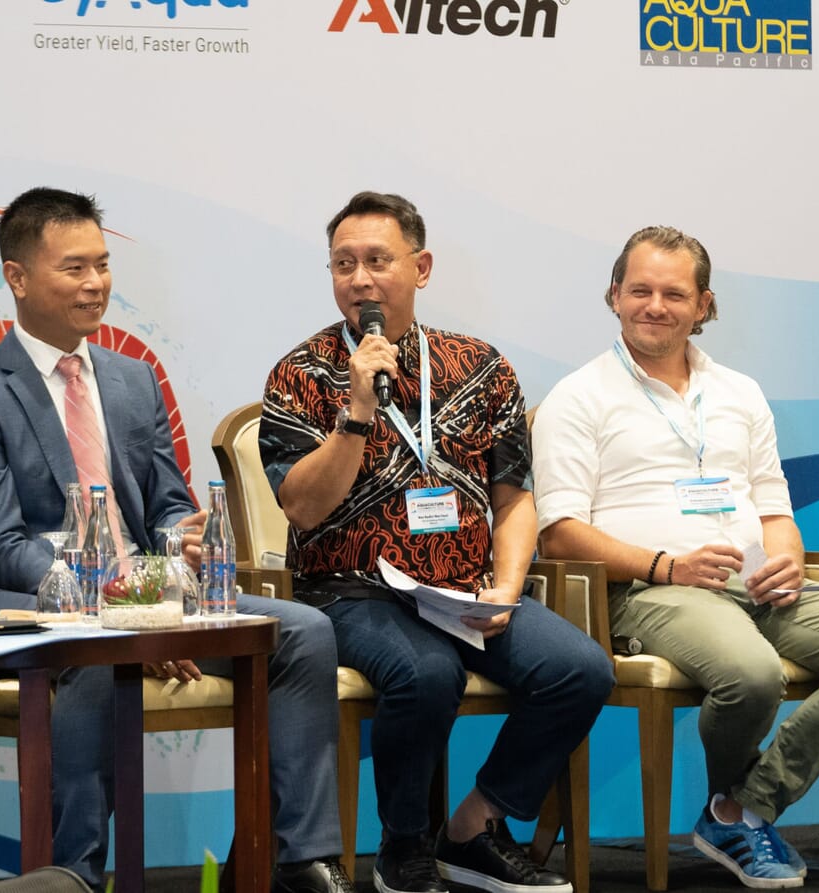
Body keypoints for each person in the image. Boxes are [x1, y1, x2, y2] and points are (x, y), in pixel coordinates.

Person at [0, 187, 353, 893]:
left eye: (101, 264)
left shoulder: (130, 378)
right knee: (100, 650)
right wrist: (121, 601)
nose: (96, 283)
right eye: (74, 268)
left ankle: (301, 858)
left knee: (303, 629)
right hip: (51, 606)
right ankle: (78, 872)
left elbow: (166, 505)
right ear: (17, 277)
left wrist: (176, 546)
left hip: (159, 600)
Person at [532, 226, 819, 889]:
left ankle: (744, 806)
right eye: (640, 290)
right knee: (751, 672)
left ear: (704, 305)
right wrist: (667, 565)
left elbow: (775, 508)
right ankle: (741, 814)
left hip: (755, 584)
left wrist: (789, 560)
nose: (655, 305)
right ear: (613, 295)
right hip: (650, 589)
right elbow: (561, 534)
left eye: (674, 293)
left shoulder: (740, 392)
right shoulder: (580, 396)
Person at [259, 190, 613, 893]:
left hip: (464, 589)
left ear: (420, 268)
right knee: (425, 674)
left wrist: (507, 587)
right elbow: (301, 506)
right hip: (351, 591)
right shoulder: (301, 374)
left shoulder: (481, 368)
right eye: (344, 263)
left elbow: (514, 497)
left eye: (377, 260)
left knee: (582, 668)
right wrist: (356, 412)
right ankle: (405, 847)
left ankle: (473, 827)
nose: (359, 279)